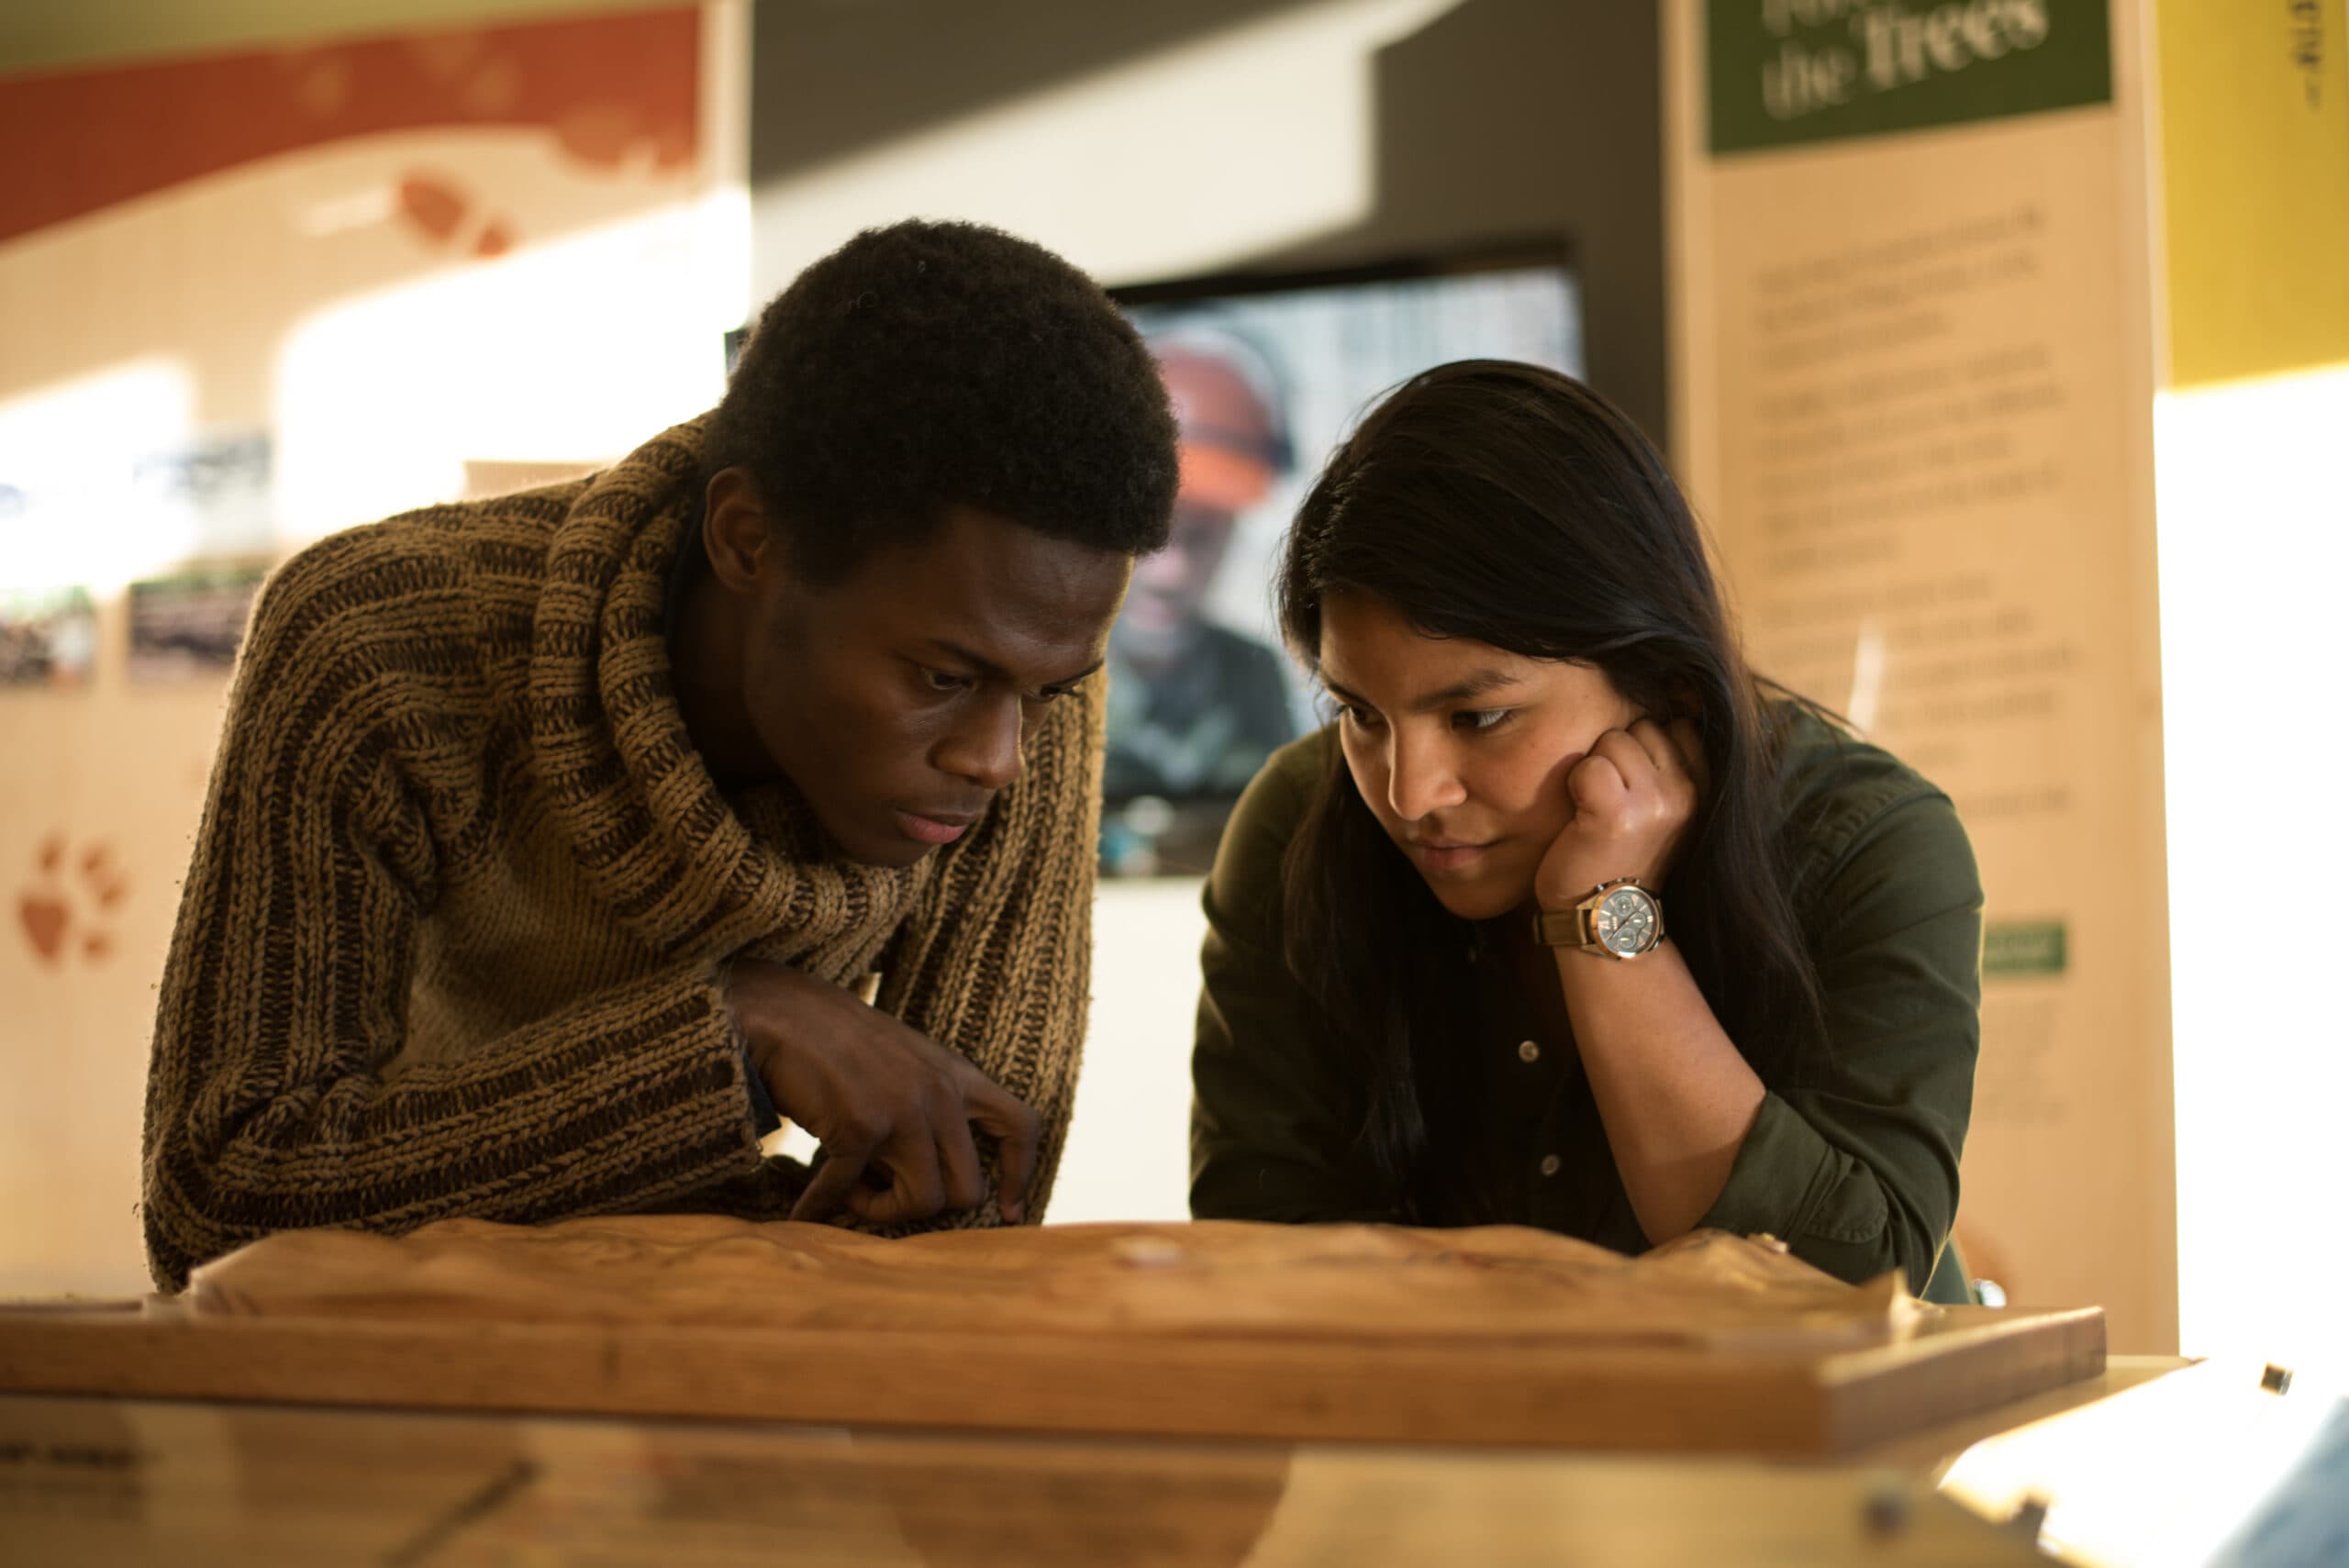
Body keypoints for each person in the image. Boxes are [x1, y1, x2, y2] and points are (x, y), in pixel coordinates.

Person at [139, 220, 1179, 1291]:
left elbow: (955, 1224)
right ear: (747, 539)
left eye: (1047, 693)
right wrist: (731, 1033)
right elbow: (220, 1201)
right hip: (379, 1372)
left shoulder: (1015, 670)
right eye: (941, 679)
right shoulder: (379, 640)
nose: (1002, 759)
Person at [1190, 361, 1981, 1302]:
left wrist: (1609, 924)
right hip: (1452, 1438)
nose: (1408, 792)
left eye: (1478, 717)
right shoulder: (1298, 823)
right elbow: (1263, 1262)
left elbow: (1843, 1288)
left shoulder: (1868, 843)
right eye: (1358, 712)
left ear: (1660, 682)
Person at [1102, 337, 1299, 869]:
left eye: (1201, 538)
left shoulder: (1253, 676)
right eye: (1150, 537)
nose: (1171, 572)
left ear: (1232, 536)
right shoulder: (1039, 674)